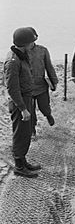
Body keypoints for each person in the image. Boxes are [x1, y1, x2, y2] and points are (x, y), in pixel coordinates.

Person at [4, 27, 41, 178]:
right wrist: (23, 109)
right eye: (31, 41)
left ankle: (23, 161)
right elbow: (12, 89)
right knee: (20, 134)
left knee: (26, 133)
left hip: (26, 99)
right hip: (20, 102)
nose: (33, 44)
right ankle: (19, 167)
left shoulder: (21, 55)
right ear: (24, 42)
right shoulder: (13, 61)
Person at [27, 27, 58, 139]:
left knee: (44, 107)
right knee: (30, 111)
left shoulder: (42, 51)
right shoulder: (21, 52)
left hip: (41, 86)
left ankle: (48, 115)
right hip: (27, 89)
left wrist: (54, 82)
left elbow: (49, 67)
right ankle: (32, 130)